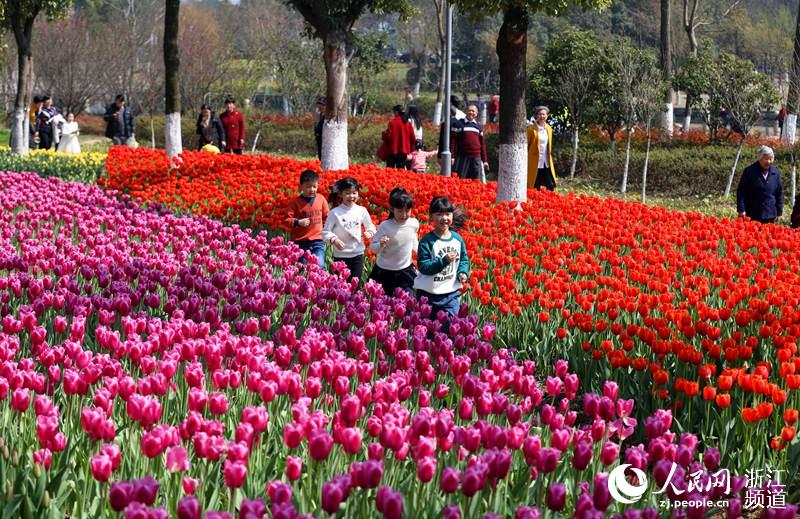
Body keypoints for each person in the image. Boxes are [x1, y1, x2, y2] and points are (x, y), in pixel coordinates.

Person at [414, 196, 469, 328]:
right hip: (428, 295)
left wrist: (462, 272)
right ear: (431, 217)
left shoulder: (457, 240)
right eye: (439, 214)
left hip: (450, 294)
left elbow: (463, 259)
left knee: (452, 328)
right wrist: (443, 261)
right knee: (427, 330)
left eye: (448, 214)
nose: (444, 218)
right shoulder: (427, 241)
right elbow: (423, 266)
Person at [323, 177, 376, 283]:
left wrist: (370, 232)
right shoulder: (335, 213)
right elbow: (325, 232)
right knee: (341, 285)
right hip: (340, 255)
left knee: (355, 284)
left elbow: (371, 226)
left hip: (357, 254)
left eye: (354, 193)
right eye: (347, 193)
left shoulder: (361, 210)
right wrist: (334, 240)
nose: (351, 196)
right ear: (340, 194)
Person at [368, 188, 419, 295]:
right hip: (384, 271)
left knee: (407, 300)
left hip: (405, 270)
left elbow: (414, 243)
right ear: (392, 209)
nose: (404, 215)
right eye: (400, 211)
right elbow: (373, 248)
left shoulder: (413, 224)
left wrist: (422, 256)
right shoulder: (385, 226)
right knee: (383, 301)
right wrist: (380, 244)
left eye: (407, 210)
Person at [286, 169, 330, 269]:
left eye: (314, 186)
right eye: (308, 187)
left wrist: (325, 230)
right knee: (303, 268)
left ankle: (319, 279)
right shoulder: (295, 203)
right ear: (301, 186)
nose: (312, 189)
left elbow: (327, 217)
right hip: (300, 241)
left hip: (317, 240)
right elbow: (287, 220)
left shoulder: (321, 199)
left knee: (320, 265)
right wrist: (298, 222)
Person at [736, 145, 783, 224]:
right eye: (766, 159)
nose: (769, 162)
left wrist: (779, 212)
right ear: (759, 158)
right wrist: (741, 209)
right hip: (752, 213)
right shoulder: (749, 171)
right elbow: (741, 191)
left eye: (771, 159)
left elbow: (779, 194)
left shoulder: (775, 173)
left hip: (770, 214)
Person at [452, 104, 488, 182]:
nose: (471, 112)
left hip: (476, 158)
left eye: (473, 111)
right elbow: (453, 141)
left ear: (476, 114)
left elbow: (482, 144)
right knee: (462, 180)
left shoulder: (478, 126)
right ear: (466, 111)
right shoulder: (458, 124)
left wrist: (485, 161)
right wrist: (452, 157)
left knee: (475, 181)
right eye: (469, 110)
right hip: (462, 157)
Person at [527, 105, 557, 191]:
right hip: (534, 161)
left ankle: (549, 199)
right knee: (535, 185)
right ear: (536, 116)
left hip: (546, 161)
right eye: (539, 114)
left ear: (547, 116)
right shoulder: (531, 129)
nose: (542, 116)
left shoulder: (549, 128)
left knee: (550, 185)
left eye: (543, 114)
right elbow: (527, 145)